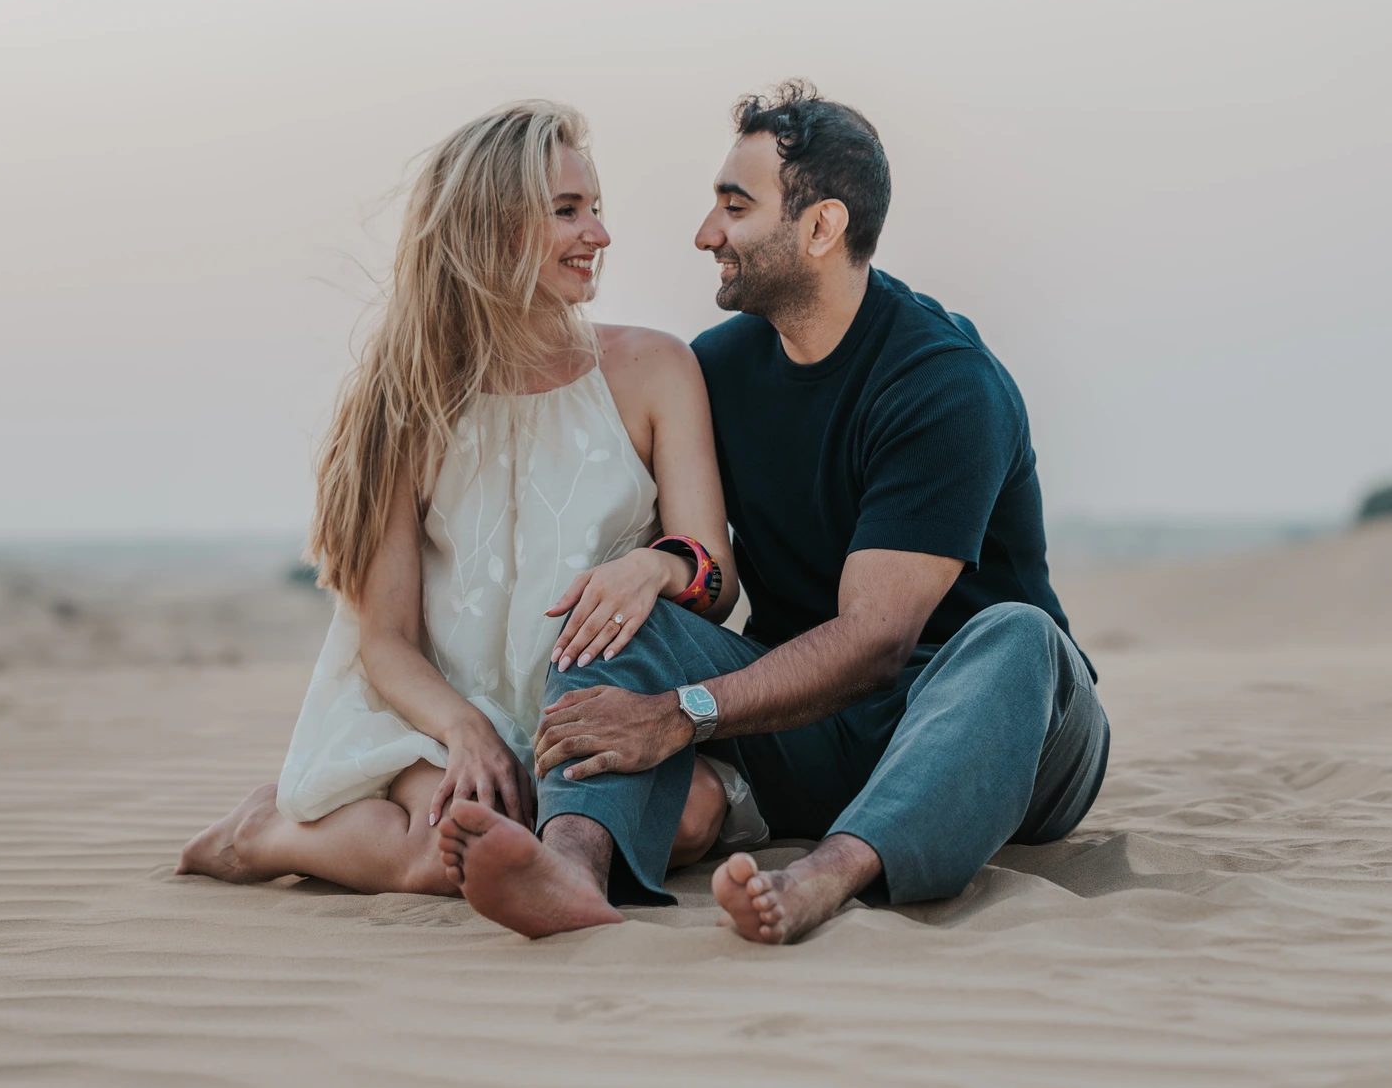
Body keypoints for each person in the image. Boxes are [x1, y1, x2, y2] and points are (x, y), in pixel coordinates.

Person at [437, 81, 1110, 943]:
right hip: (812, 726)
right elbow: (692, 553)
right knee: (614, 616)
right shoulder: (716, 370)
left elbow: (876, 644)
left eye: (734, 205)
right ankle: (571, 862)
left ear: (821, 228)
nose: (705, 232)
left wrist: (682, 715)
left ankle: (830, 873)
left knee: (1019, 636)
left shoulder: (943, 383)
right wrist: (655, 567)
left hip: (998, 736)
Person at [178, 101, 750, 895]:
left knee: (687, 819)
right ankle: (266, 829)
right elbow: (386, 640)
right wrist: (465, 730)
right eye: (567, 211)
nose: (600, 235)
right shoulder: (406, 403)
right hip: (433, 712)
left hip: (589, 713)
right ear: (494, 228)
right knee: (443, 853)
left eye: (597, 209)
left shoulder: (655, 369)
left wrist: (657, 570)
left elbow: (713, 581)